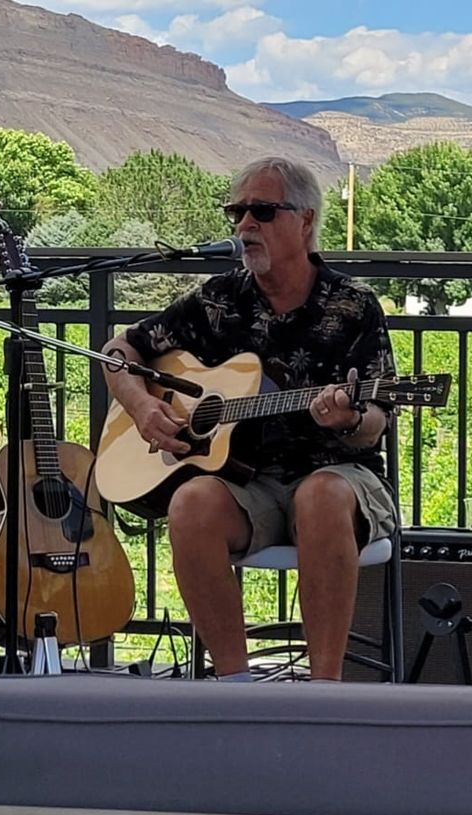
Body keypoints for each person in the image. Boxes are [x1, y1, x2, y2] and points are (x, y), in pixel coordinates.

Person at [102, 157, 397, 682]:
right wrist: (144, 407)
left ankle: (323, 693)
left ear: (305, 220)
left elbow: (377, 420)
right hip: (248, 485)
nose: (244, 226)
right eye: (236, 212)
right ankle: (235, 688)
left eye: (261, 211)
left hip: (339, 480)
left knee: (319, 495)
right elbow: (120, 351)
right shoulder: (220, 300)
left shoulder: (353, 305)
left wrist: (347, 418)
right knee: (190, 502)